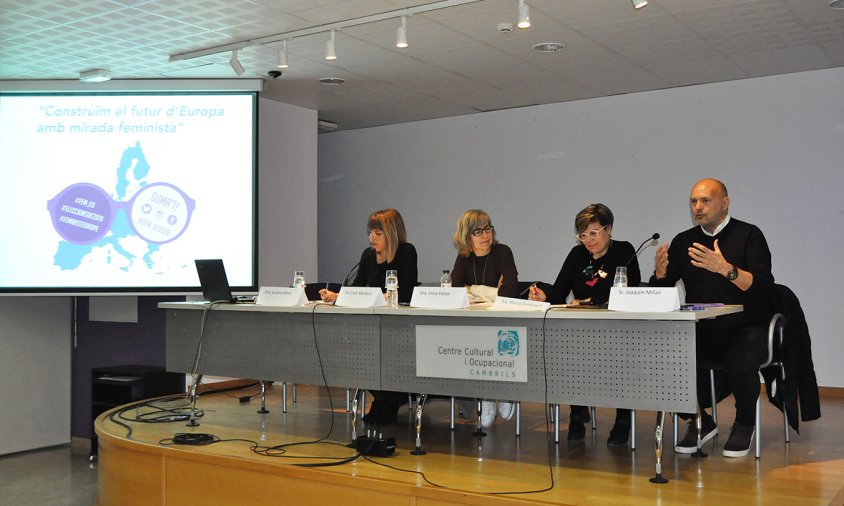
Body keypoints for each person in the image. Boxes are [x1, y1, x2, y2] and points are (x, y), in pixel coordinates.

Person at [650, 178, 774, 458]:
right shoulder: (684, 241)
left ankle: (744, 423)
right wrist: (659, 275)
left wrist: (726, 269)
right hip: (703, 326)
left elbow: (763, 287)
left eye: (705, 200)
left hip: (746, 325)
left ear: (725, 203)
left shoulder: (749, 235)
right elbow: (662, 292)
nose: (697, 207)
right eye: (693, 201)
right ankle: (699, 419)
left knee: (740, 354)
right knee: (665, 355)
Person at [528, 203, 641, 445]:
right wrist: (544, 296)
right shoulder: (577, 255)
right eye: (583, 235)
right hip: (582, 330)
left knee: (619, 360)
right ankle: (577, 412)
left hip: (617, 330)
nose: (588, 240)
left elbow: (626, 291)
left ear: (608, 228)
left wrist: (587, 301)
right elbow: (560, 292)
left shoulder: (624, 251)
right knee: (568, 351)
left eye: (593, 233)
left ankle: (623, 419)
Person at [319, 208, 418, 425]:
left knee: (380, 353)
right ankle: (384, 398)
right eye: (370, 233)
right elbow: (357, 288)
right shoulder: (367, 255)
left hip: (399, 326)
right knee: (357, 353)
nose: (371, 238)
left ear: (391, 233)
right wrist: (338, 296)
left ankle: (389, 399)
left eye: (377, 233)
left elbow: (407, 293)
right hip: (371, 325)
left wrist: (376, 296)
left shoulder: (406, 252)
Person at [450, 209, 519, 428]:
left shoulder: (502, 252)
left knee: (498, 338)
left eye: (488, 228)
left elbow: (509, 291)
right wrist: (490, 291)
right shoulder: (464, 257)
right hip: (476, 325)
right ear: (466, 236)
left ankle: (506, 390)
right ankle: (486, 396)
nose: (485, 235)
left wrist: (473, 290)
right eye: (477, 231)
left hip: (502, 322)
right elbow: (455, 292)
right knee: (470, 340)